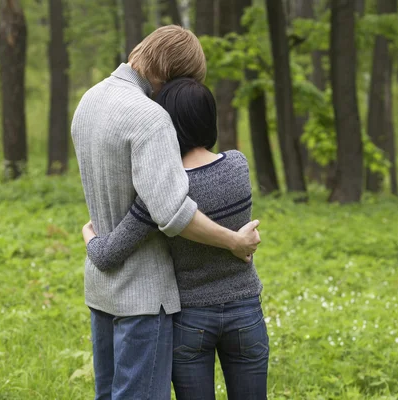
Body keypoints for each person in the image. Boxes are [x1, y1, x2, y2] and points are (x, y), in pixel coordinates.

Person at [71, 25, 261, 400]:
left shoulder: (89, 101)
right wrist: (234, 241)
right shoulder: (149, 117)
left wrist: (98, 245)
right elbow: (172, 213)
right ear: (173, 76)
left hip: (102, 288)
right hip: (145, 294)